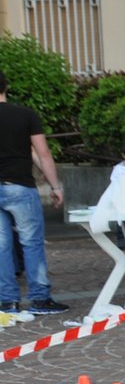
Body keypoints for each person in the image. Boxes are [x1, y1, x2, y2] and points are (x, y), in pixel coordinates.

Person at [0, 69, 68, 316]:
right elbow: (42, 153)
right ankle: (39, 298)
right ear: (6, 86)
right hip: (20, 186)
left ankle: (7, 301)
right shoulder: (25, 114)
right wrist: (55, 185)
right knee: (31, 243)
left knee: (1, 246)